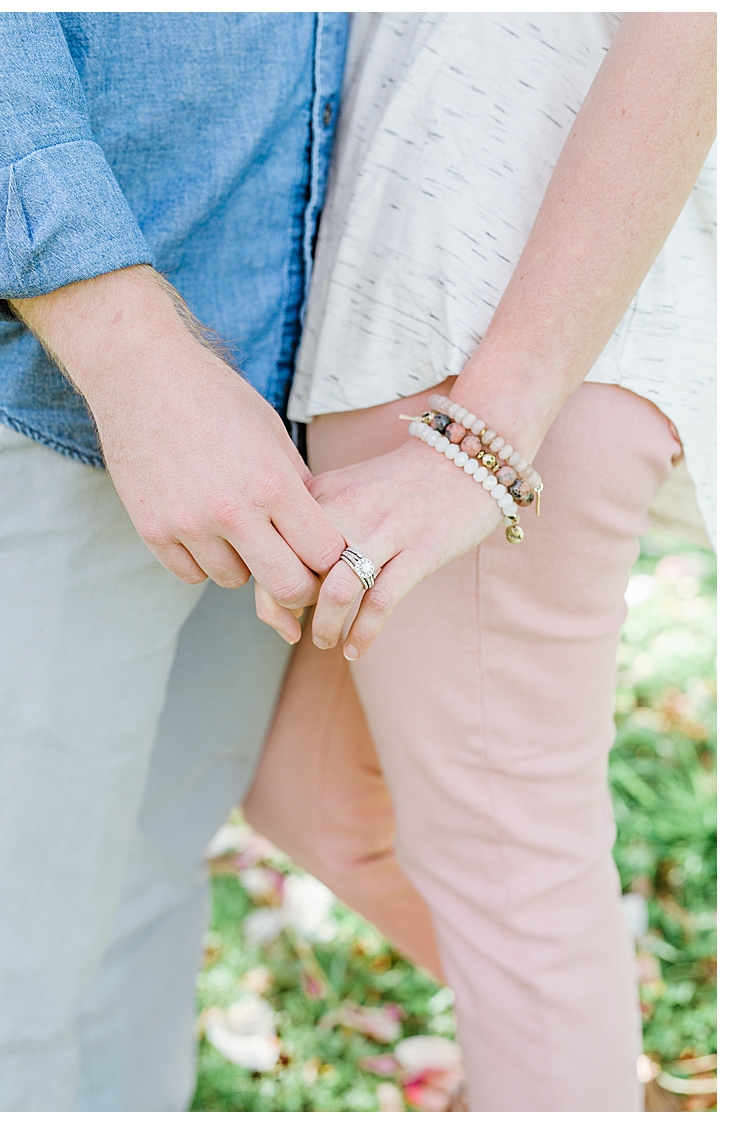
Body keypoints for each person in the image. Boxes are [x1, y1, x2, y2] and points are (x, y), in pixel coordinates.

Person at [242, 13, 715, 1111]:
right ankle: (570, 1030)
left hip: (474, 348)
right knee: (310, 799)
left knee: (519, 892)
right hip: (415, 335)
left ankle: (561, 1033)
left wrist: (482, 434)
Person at [0, 13, 352, 1111]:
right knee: (19, 964)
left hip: (287, 410)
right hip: (62, 391)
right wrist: (124, 344)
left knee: (146, 895)